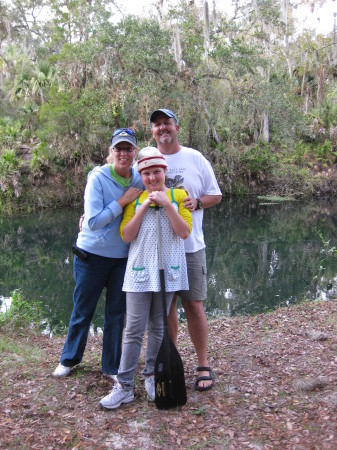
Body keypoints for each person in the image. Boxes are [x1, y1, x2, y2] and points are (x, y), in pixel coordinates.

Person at [99, 147, 192, 409]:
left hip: (168, 272)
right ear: (142, 175)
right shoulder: (136, 199)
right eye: (147, 173)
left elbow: (184, 232)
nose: (152, 177)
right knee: (134, 330)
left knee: (159, 328)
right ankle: (125, 386)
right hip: (140, 272)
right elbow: (126, 235)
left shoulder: (180, 195)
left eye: (157, 172)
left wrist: (166, 204)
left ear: (165, 172)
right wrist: (144, 207)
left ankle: (152, 375)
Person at [52, 129, 143, 379]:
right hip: (90, 256)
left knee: (116, 313)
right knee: (83, 310)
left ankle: (111, 366)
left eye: (128, 149)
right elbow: (92, 221)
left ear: (135, 152)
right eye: (119, 148)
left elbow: (158, 188)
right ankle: (69, 359)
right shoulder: (98, 178)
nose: (123, 153)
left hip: (122, 258)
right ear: (111, 152)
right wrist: (122, 202)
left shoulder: (139, 179)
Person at [149, 108, 222, 391]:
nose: (162, 128)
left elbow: (215, 194)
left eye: (167, 123)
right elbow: (129, 194)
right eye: (157, 124)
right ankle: (170, 360)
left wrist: (199, 203)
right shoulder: (146, 159)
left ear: (177, 127)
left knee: (193, 304)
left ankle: (203, 364)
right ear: (153, 131)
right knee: (166, 307)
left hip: (190, 246)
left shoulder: (195, 158)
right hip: (156, 248)